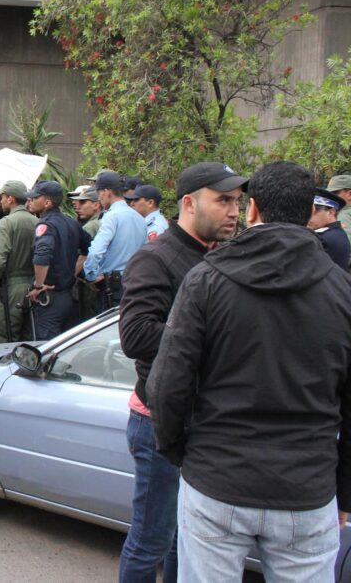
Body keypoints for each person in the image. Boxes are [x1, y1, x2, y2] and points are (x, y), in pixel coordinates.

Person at [148, 160, 351, 582]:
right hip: (305, 488)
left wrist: (179, 451)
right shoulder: (341, 291)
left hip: (218, 480)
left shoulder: (206, 280)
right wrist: (344, 488)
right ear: (309, 213)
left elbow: (168, 383)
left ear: (252, 209)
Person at [117, 161, 246, 583]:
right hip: (159, 420)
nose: (234, 211)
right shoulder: (155, 258)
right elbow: (135, 336)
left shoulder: (227, 256)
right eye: (223, 200)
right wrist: (211, 336)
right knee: (150, 540)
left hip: (209, 422)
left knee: (185, 541)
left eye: (238, 202)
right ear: (189, 203)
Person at [24, 181, 90, 340]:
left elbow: (42, 256)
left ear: (47, 202)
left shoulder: (46, 225)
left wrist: (38, 286)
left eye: (35, 198)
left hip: (50, 297)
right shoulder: (71, 222)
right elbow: (89, 247)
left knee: (45, 347)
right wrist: (72, 271)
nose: (30, 201)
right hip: (68, 296)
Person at [82, 171, 147, 311]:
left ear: (107, 192)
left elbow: (95, 252)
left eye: (99, 193)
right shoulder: (139, 218)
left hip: (112, 286)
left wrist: (91, 275)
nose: (99, 198)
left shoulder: (111, 217)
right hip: (134, 283)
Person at [0, 180, 36, 342]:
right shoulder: (37, 221)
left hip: (12, 286)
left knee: (6, 335)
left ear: (11, 199)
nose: (0, 201)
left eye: (2, 197)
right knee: (29, 334)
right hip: (33, 284)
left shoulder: (7, 222)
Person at [69, 187, 103, 322]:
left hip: (89, 283)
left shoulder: (91, 226)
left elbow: (81, 257)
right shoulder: (105, 221)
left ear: (96, 204)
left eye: (83, 202)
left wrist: (70, 277)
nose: (78, 206)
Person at [310, 188, 350, 270]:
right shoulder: (335, 233)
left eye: (314, 212)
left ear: (331, 213)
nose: (309, 216)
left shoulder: (323, 238)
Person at [326, 174, 351, 244]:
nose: (330, 197)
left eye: (334, 193)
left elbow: (346, 245)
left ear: (350, 194)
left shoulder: (344, 214)